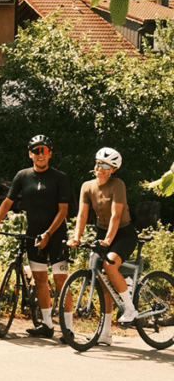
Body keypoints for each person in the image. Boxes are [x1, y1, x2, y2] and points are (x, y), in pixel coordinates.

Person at [0, 134, 70, 339]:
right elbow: (7, 202)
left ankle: (68, 329)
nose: (40, 155)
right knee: (40, 279)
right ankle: (47, 325)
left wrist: (49, 234)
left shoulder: (60, 177)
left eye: (44, 150)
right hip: (33, 235)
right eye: (36, 151)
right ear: (30, 154)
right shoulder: (22, 176)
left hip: (56, 235)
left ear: (50, 154)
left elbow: (63, 211)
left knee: (62, 282)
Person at [66, 148, 137, 345]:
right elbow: (82, 215)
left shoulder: (118, 185)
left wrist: (108, 240)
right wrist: (76, 237)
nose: (99, 167)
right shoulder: (87, 186)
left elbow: (115, 215)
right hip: (101, 232)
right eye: (97, 162)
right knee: (103, 281)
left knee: (109, 265)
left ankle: (130, 308)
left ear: (112, 170)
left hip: (123, 233)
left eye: (104, 165)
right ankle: (105, 333)